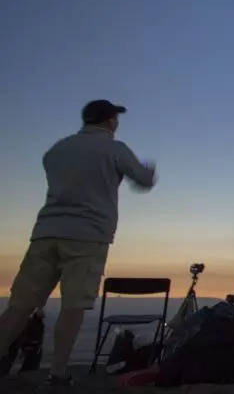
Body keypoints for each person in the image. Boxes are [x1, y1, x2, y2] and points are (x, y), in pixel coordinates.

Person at [0, 100, 156, 387]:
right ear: (110, 121)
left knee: (20, 306)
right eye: (115, 118)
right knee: (73, 306)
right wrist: (149, 169)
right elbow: (144, 179)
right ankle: (58, 373)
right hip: (88, 237)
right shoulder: (114, 149)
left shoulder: (56, 150)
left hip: (45, 233)